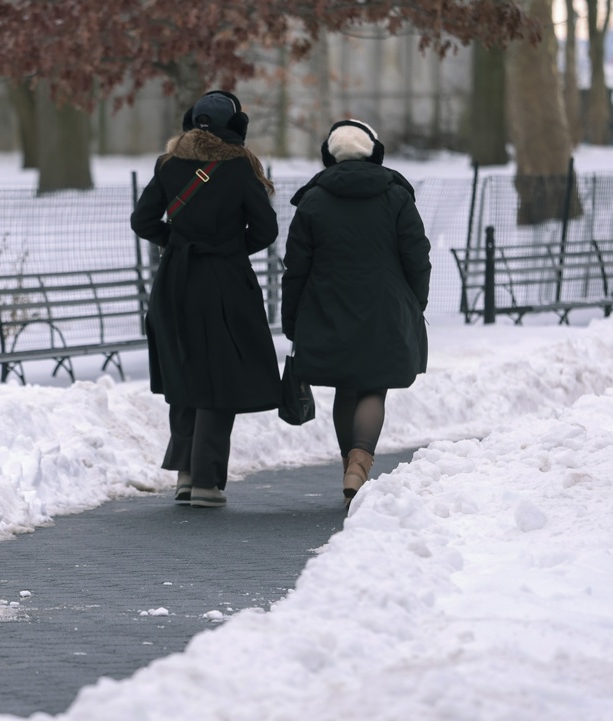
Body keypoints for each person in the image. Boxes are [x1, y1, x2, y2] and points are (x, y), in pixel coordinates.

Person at [131, 90, 281, 509]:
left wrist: (176, 243)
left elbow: (142, 220)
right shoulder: (240, 166)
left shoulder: (168, 164)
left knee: (185, 374)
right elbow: (266, 229)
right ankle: (206, 482)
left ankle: (185, 475)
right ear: (235, 126)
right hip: (223, 283)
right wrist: (229, 249)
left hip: (174, 281)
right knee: (220, 379)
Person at [281, 119, 432, 507]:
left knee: (345, 387)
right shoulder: (396, 195)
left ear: (329, 155)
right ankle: (359, 464)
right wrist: (415, 303)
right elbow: (417, 256)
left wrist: (292, 318)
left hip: (327, 305)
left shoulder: (313, 199)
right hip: (385, 306)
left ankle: (349, 469)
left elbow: (295, 266)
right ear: (374, 152)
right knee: (373, 387)